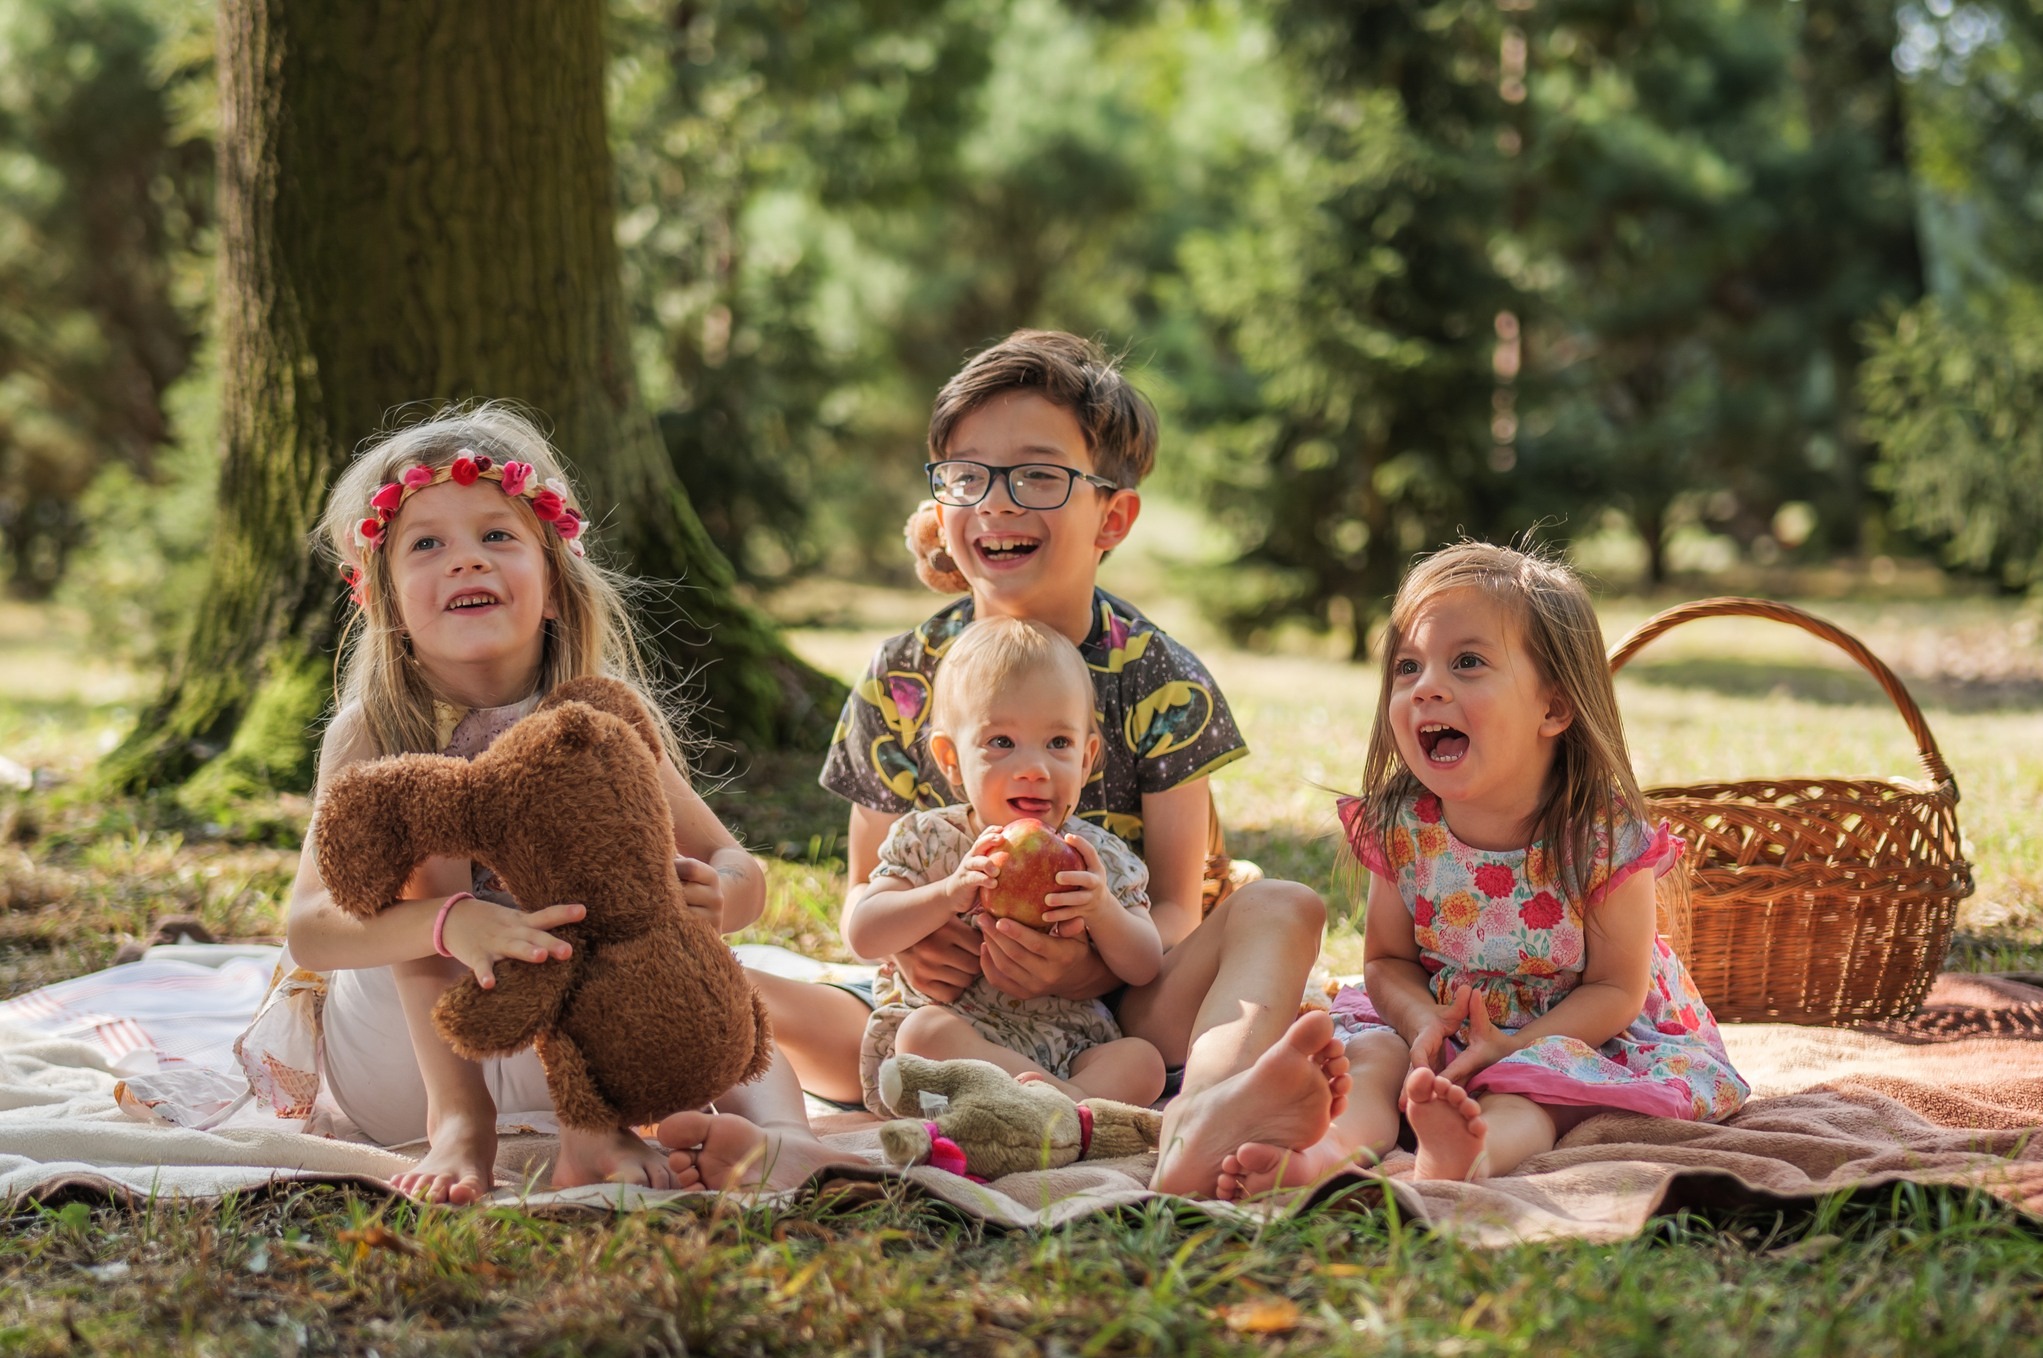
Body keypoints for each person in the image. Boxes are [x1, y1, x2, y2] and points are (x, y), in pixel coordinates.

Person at [739, 330, 1347, 1198]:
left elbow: (1177, 904)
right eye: (966, 474)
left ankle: (1207, 1110)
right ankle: (804, 1138)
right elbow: (862, 893)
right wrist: (919, 943)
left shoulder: (1157, 679)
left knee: (1284, 906)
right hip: (934, 1017)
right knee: (722, 982)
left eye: (1036, 474)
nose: (995, 501)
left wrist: (1090, 962)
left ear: (1113, 515)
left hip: (1115, 1016)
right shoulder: (901, 679)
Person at [246, 404, 852, 1203]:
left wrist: (715, 897)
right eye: (427, 544)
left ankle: (781, 1141)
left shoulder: (591, 726)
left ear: (556, 586)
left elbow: (735, 865)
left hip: (580, 1046)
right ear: (387, 601)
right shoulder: (373, 732)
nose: (466, 561)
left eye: (497, 536)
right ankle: (460, 1127)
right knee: (425, 811)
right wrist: (449, 921)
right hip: (408, 1051)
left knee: (707, 969)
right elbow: (311, 931)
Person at [1217, 542, 1750, 1197]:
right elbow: (1386, 962)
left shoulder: (1602, 839)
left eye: (1467, 662)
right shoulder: (1404, 828)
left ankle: (1468, 1154)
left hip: (1572, 1029)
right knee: (1373, 1060)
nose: (1426, 686)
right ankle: (1323, 1151)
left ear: (1552, 709)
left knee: (1531, 1093)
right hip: (1435, 1020)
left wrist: (1513, 1046)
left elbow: (1615, 990)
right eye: (1407, 667)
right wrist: (1418, 1024)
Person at [846, 617, 1166, 1108]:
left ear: (1086, 758)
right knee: (923, 1034)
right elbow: (865, 934)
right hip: (960, 1043)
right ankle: (1068, 1110)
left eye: (1059, 744)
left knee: (1142, 1061)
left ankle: (1047, 1111)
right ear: (951, 760)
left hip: (1069, 1044)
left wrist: (1102, 909)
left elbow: (1145, 965)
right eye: (1001, 743)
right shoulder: (929, 839)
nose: (1035, 769)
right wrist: (945, 894)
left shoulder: (1096, 858)